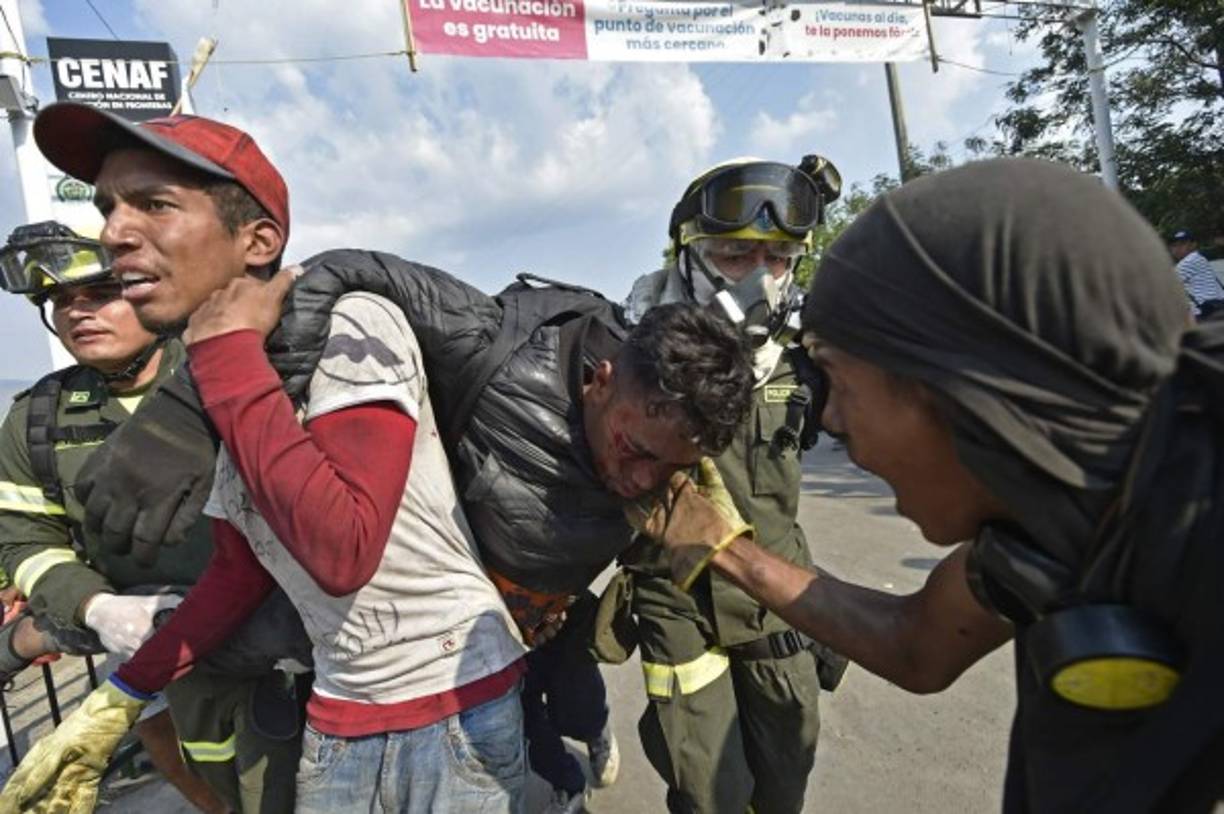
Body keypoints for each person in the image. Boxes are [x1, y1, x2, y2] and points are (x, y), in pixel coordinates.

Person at [633, 158, 1224, 811]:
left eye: (841, 382)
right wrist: (728, 549)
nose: (828, 419)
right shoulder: (1052, 533)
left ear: (961, 394)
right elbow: (917, 646)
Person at [1, 103, 528, 813]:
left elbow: (341, 552)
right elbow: (236, 569)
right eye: (109, 208)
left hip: (445, 712)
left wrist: (221, 352)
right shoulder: (219, 378)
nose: (115, 233)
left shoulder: (349, 323)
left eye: (154, 204)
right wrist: (122, 697)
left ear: (258, 241)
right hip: (343, 716)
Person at [0, 221, 300, 814]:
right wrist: (96, 607)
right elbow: (23, 541)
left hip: (292, 642)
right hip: (164, 654)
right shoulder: (36, 418)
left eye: (100, 294)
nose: (76, 313)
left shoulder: (239, 363)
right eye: (61, 301)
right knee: (216, 778)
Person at [619, 156, 842, 814]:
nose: (762, 275)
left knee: (785, 774)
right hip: (678, 599)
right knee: (708, 789)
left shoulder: (806, 354)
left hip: (779, 594)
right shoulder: (630, 347)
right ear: (692, 256)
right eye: (736, 254)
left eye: (778, 255)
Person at [1168, 229, 1224, 319]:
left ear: (1193, 245)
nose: (1177, 248)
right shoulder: (1199, 258)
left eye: (1182, 244)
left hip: (1204, 313)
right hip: (1216, 307)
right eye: (1174, 245)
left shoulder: (1189, 261)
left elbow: (1165, 287)